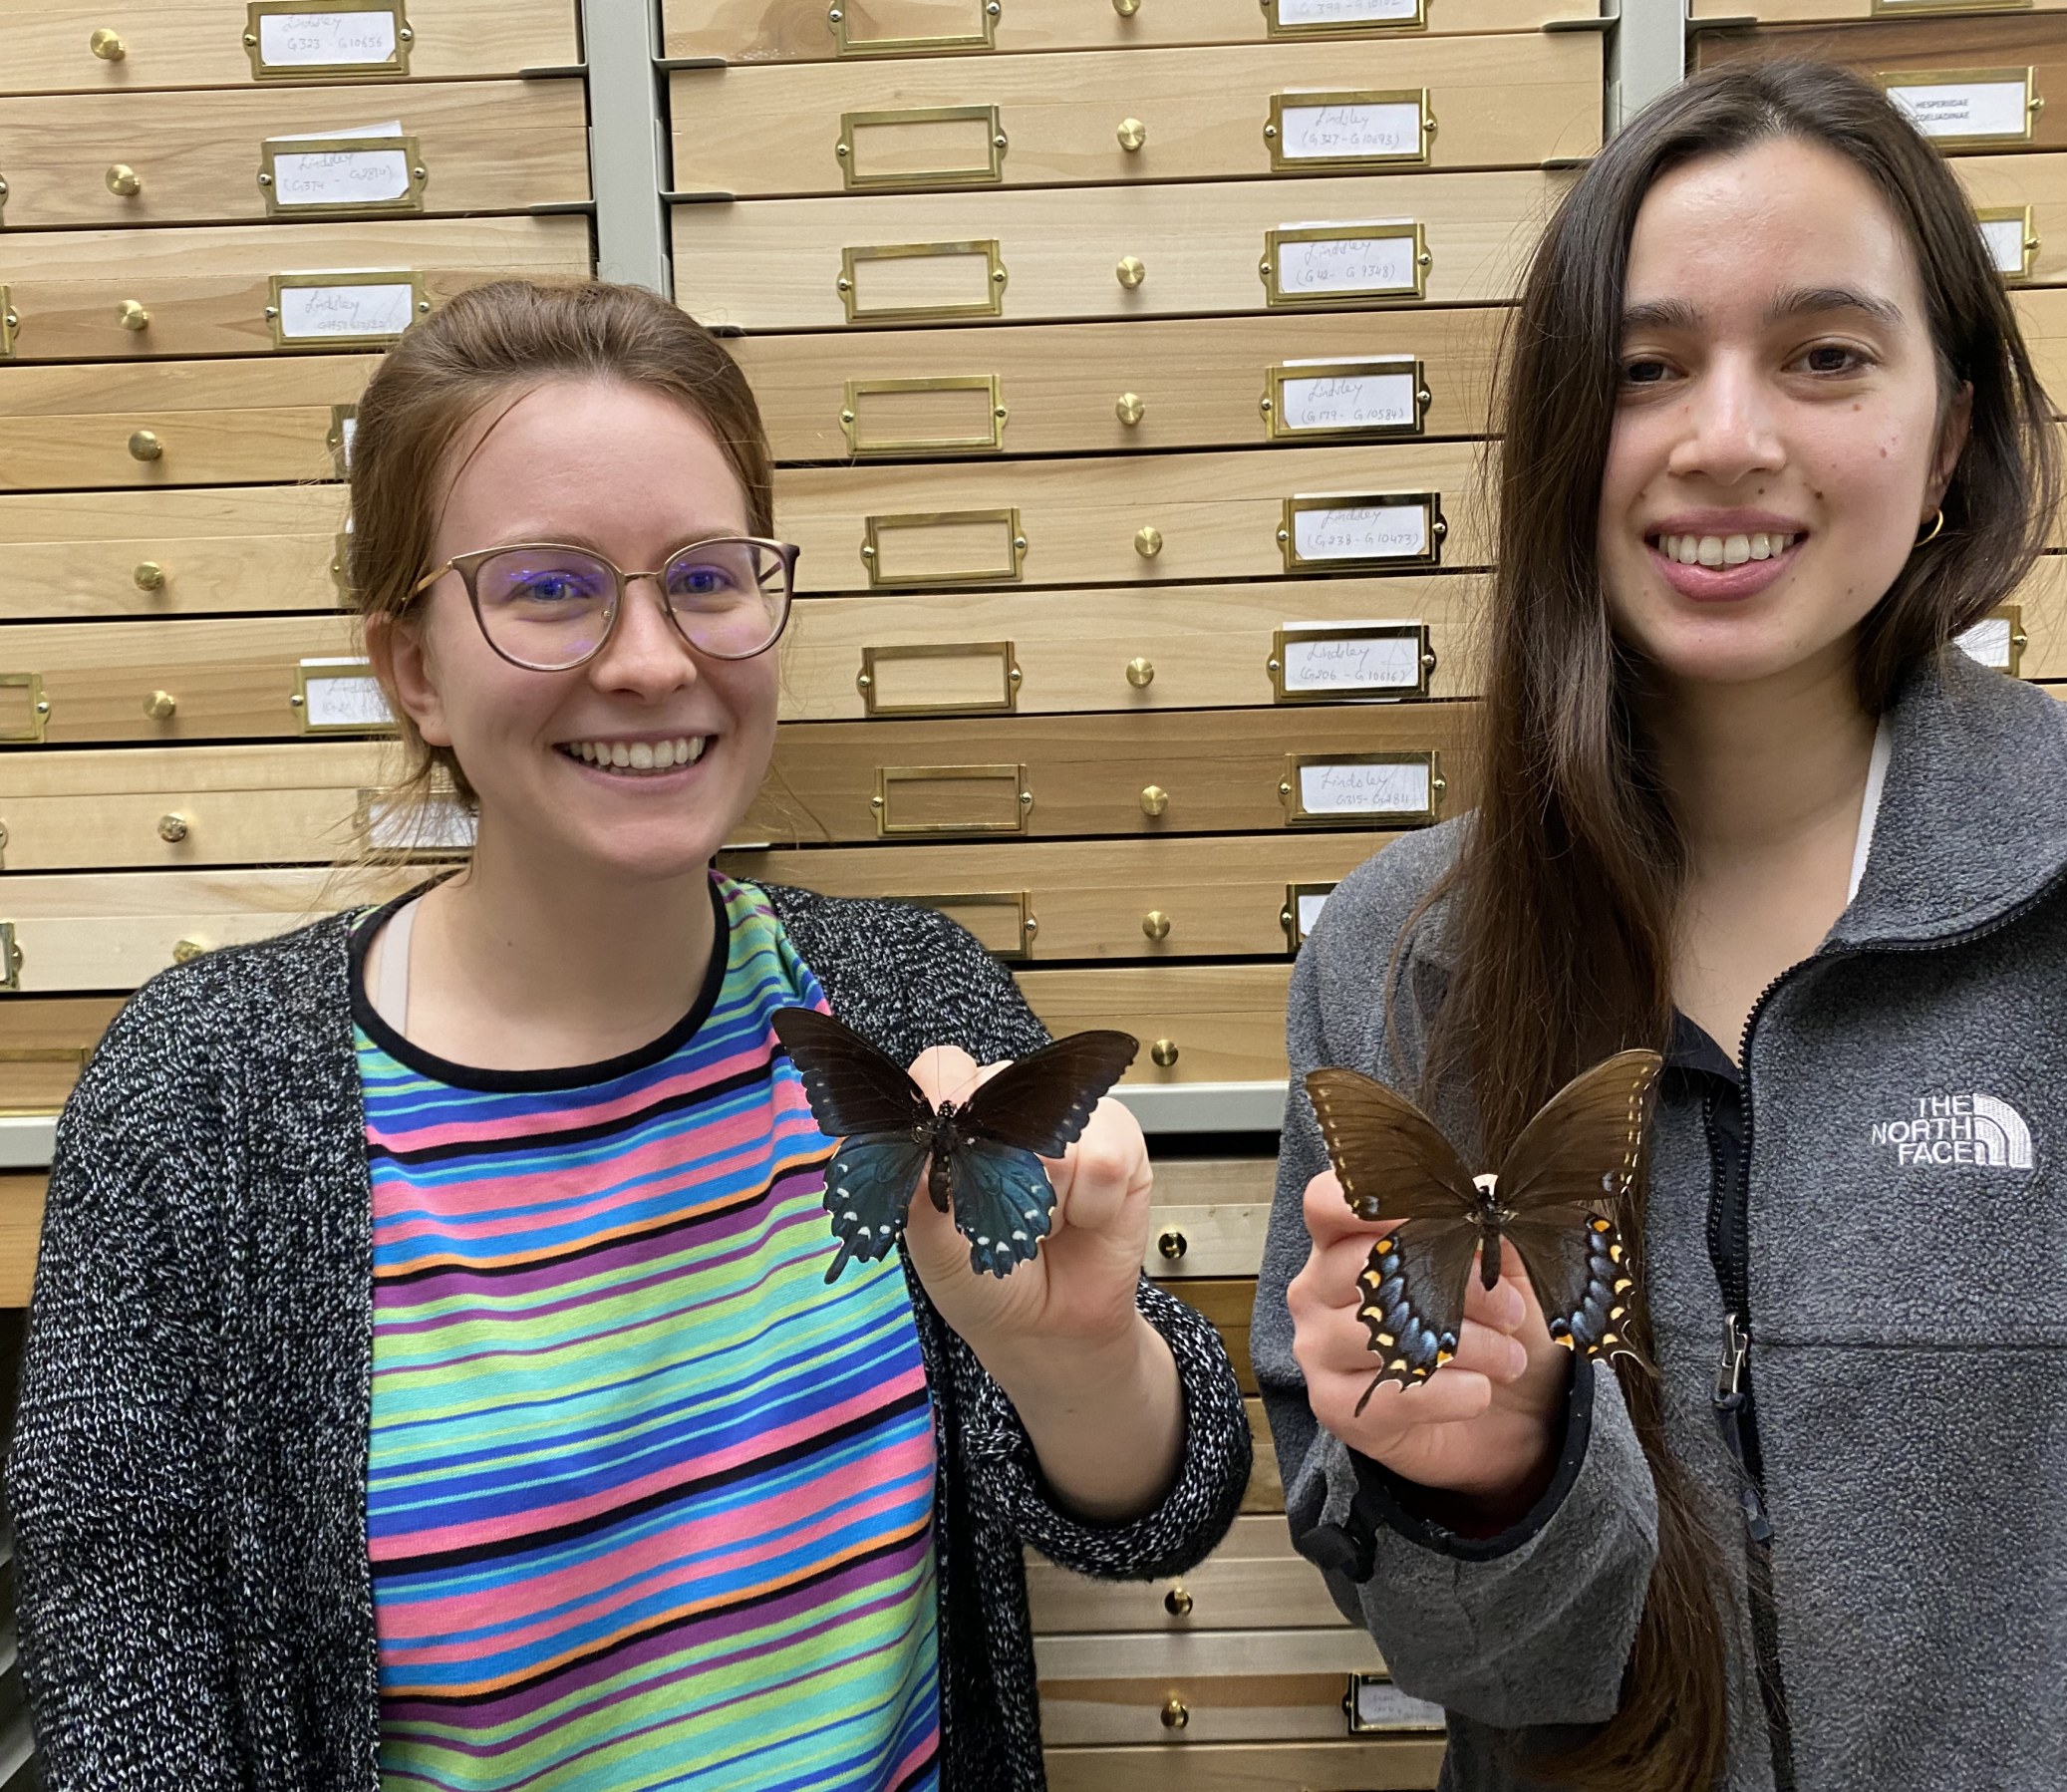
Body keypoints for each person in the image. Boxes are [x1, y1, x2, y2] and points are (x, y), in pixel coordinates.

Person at [8, 279, 1251, 1792]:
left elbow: (1165, 1498)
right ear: (413, 666)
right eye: (550, 587)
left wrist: (1075, 1361)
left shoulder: (904, 998)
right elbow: (126, 1724)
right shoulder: (197, 1102)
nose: (654, 659)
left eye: (707, 578)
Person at [1253, 59, 2067, 1792]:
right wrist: (1493, 1475)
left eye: (1827, 356)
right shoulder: (1400, 950)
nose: (1727, 437)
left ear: (1954, 430)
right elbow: (1473, 1665)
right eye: (1645, 368)